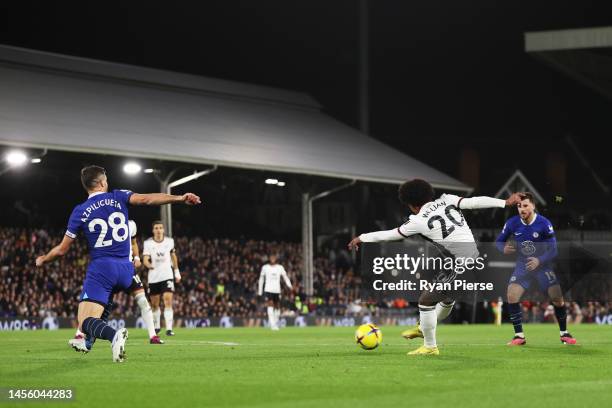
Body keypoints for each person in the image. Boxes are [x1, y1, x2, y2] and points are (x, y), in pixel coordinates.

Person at [35, 165, 200, 362]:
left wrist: (43, 259)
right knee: (105, 307)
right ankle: (87, 343)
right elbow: (147, 199)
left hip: (102, 268)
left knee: (85, 320)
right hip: (126, 267)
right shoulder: (118, 196)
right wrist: (180, 198)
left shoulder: (80, 211)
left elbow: (62, 250)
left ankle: (114, 336)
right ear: (102, 182)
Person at [348, 179, 521, 355]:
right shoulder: (447, 199)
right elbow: (474, 202)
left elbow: (390, 234)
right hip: (468, 258)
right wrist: (504, 202)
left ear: (412, 205)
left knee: (426, 300)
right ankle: (424, 326)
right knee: (438, 289)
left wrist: (362, 237)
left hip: (463, 262)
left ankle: (430, 346)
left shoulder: (417, 220)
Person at [495, 192, 577, 345]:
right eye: (519, 206)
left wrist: (539, 260)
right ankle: (519, 336)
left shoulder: (544, 223)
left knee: (557, 298)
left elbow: (554, 250)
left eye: (525, 205)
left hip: (543, 265)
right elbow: (499, 242)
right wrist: (502, 249)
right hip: (523, 266)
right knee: (511, 295)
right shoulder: (512, 223)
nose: (522, 209)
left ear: (533, 206)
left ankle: (564, 333)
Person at [70, 219, 163, 351]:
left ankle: (153, 336)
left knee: (142, 300)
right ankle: (84, 338)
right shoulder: (107, 223)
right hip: (110, 270)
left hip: (127, 269)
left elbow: (134, 242)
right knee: (101, 310)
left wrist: (136, 258)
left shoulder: (131, 224)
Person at [143, 221, 181, 336]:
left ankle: (169, 329)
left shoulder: (169, 242)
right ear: (153, 230)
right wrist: (149, 265)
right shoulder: (148, 243)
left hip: (167, 275)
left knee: (167, 300)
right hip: (154, 277)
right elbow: (145, 259)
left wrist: (177, 272)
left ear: (163, 230)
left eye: (160, 228)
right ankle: (157, 326)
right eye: (156, 228)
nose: (158, 230)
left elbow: (173, 257)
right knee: (155, 304)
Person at [258, 254, 292, 330]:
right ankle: (272, 324)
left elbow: (285, 277)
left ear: (276, 258)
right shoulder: (265, 267)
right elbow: (261, 279)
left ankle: (276, 323)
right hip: (268, 289)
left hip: (277, 290)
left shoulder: (280, 267)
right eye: (271, 257)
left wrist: (290, 286)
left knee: (277, 307)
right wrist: (259, 291)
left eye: (274, 257)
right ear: (269, 258)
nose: (272, 258)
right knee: (270, 305)